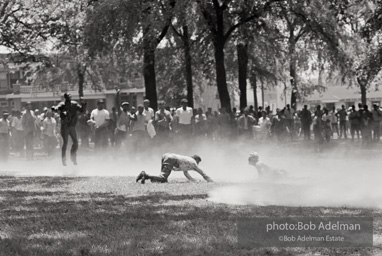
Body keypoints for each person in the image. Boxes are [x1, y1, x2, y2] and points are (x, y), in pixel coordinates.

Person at [53, 93, 86, 166]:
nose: (68, 100)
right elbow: (57, 108)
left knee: (76, 143)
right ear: (65, 99)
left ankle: (73, 156)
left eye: (69, 98)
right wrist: (55, 109)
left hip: (71, 126)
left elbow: (82, 110)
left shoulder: (74, 104)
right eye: (67, 99)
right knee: (65, 143)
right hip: (65, 126)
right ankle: (64, 159)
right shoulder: (62, 104)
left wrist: (83, 103)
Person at [136, 153, 213, 183]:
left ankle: (149, 178)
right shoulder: (193, 163)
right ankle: (145, 175)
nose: (198, 163)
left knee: (163, 180)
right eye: (198, 161)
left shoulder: (187, 160)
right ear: (196, 159)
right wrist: (209, 179)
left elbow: (186, 173)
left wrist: (193, 180)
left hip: (167, 156)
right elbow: (201, 172)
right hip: (172, 159)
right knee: (162, 178)